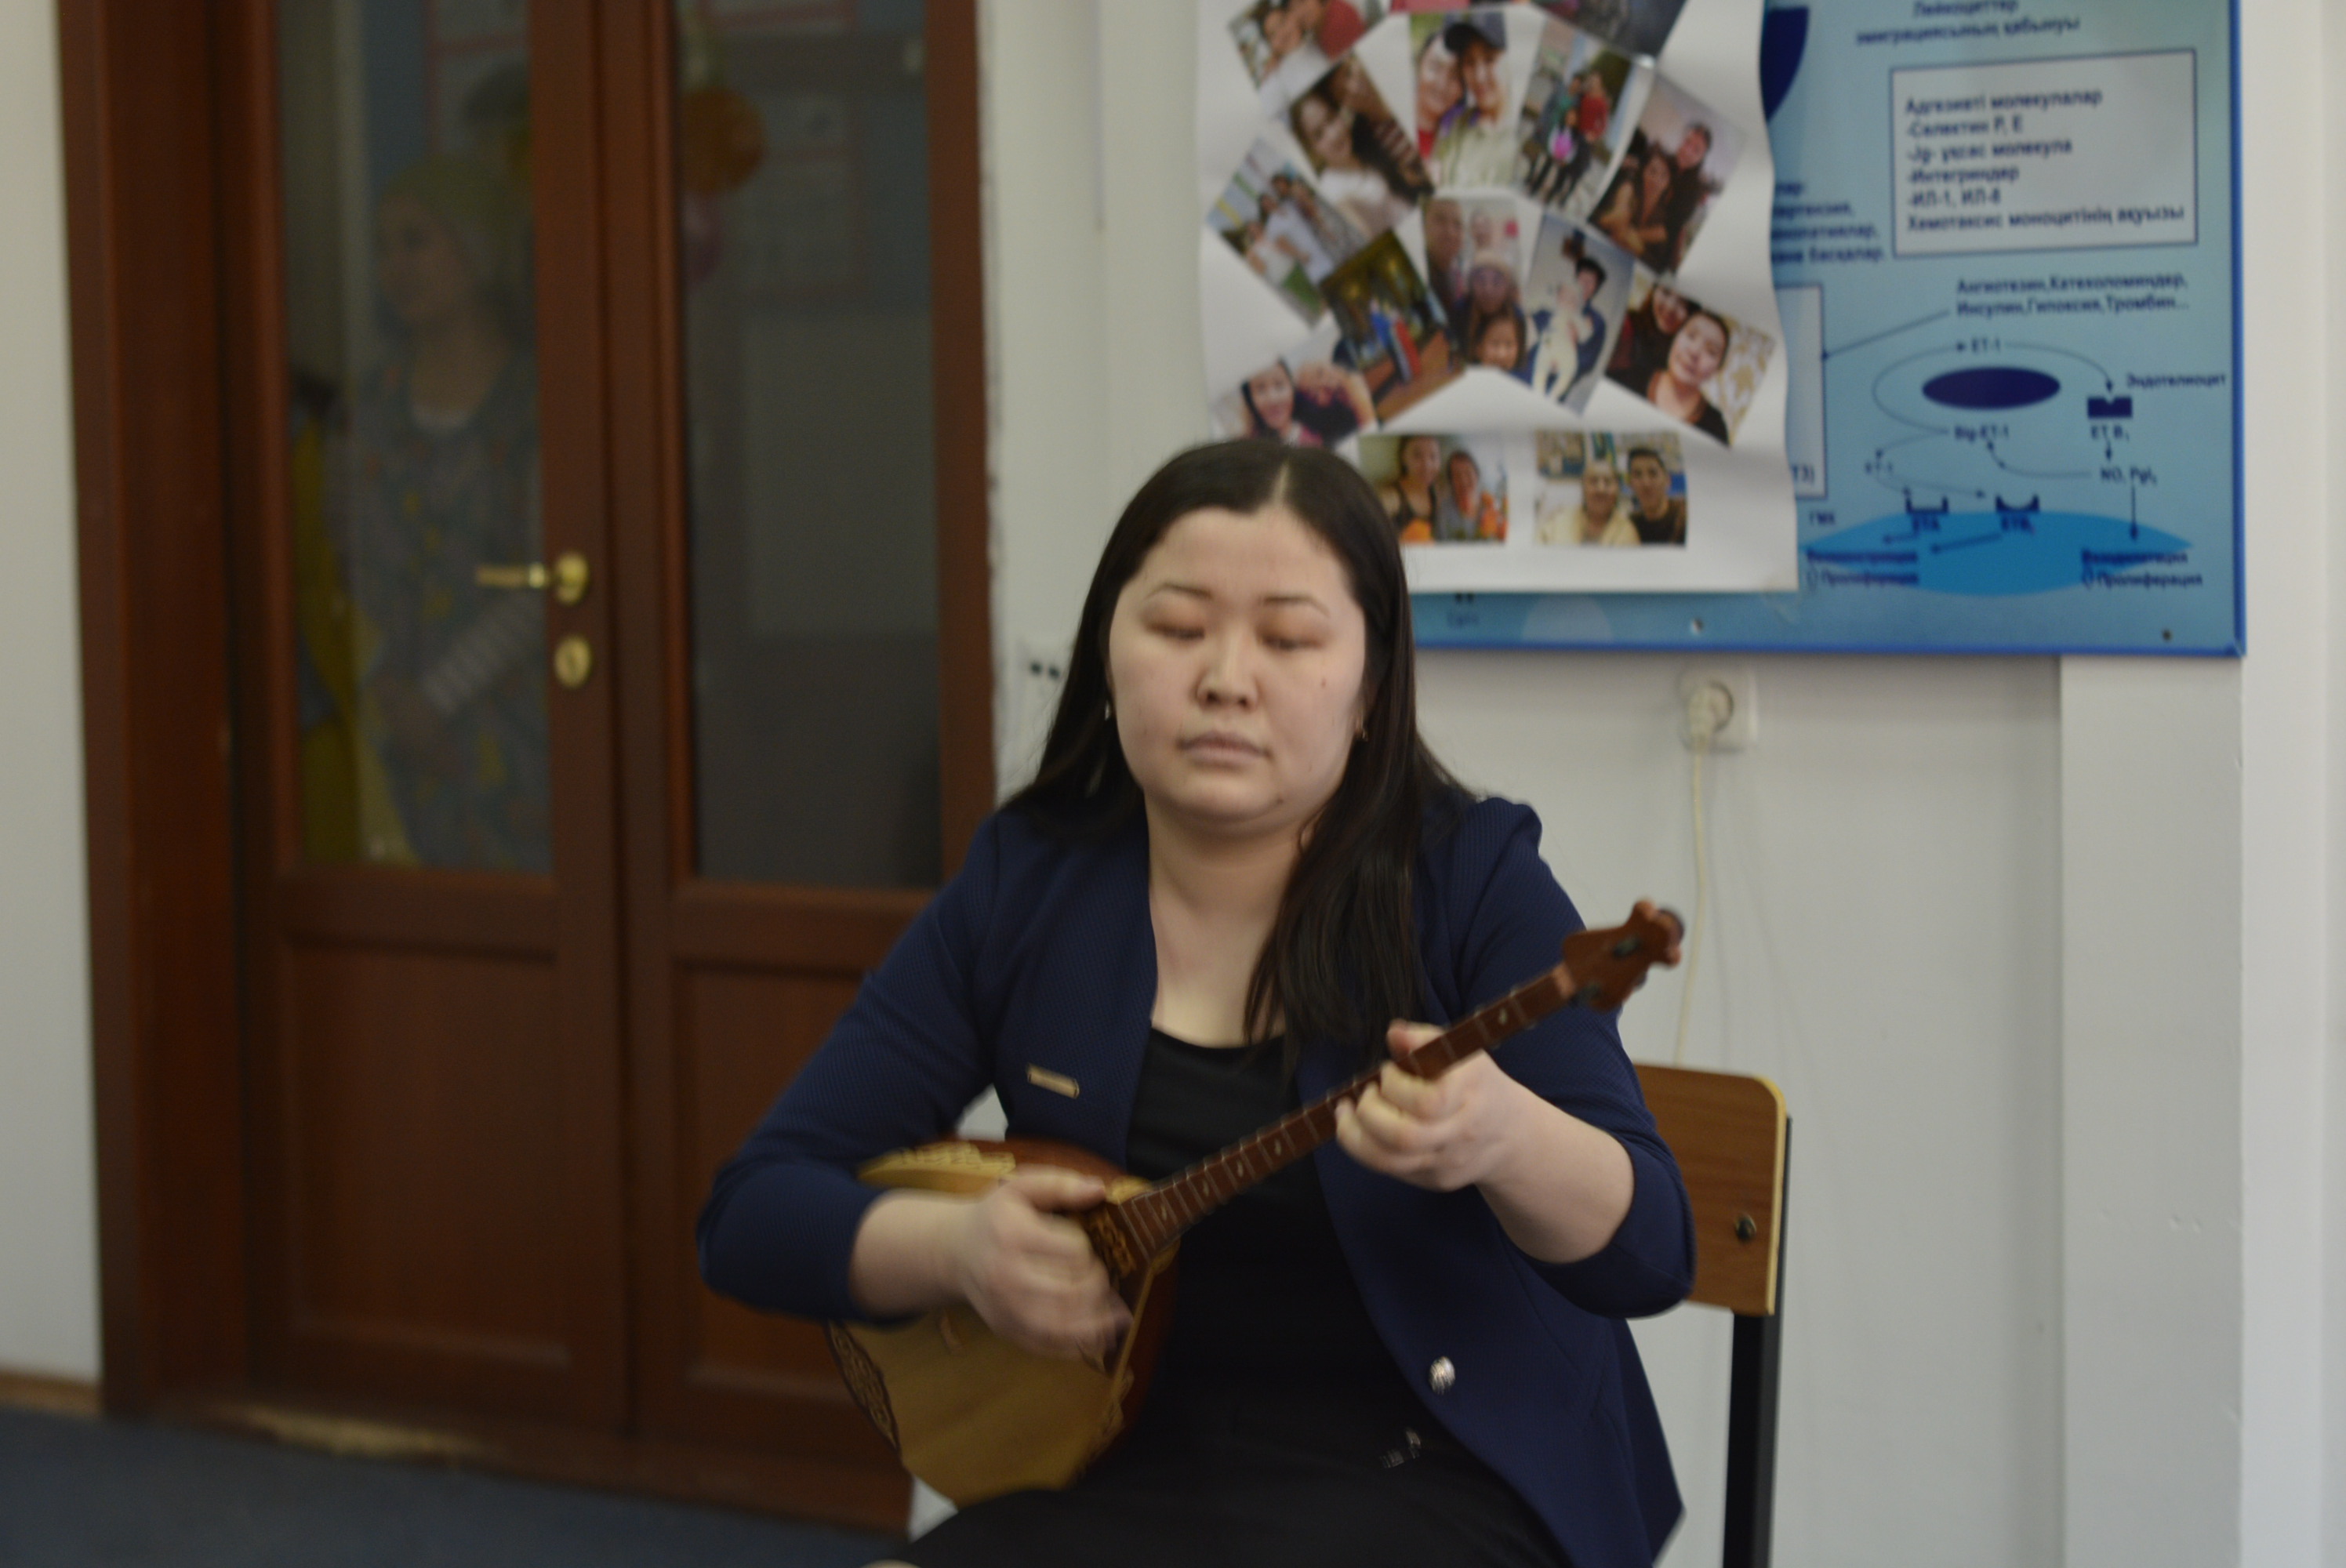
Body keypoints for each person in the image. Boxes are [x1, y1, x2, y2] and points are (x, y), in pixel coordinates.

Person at [698, 441, 1692, 1568]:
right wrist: (956, 1248)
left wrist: (1505, 1137)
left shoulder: (1471, 877)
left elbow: (1651, 1250)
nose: (1226, 678)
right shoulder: (1031, 881)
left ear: (1370, 688)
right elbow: (752, 1213)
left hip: (1443, 1476)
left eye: (1289, 639)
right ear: (1108, 653)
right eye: (1177, 628)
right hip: (1122, 1466)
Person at [325, 153, 547, 873]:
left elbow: (553, 578)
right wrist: (384, 689)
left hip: (512, 733)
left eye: (417, 240)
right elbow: (335, 563)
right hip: (380, 725)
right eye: (382, 247)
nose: (396, 266)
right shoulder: (365, 409)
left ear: (477, 249)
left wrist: (438, 700)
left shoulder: (537, 404)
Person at [1292, 84, 1420, 238]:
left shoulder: (1362, 144)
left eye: (1331, 119)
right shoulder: (1332, 191)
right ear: (1311, 150)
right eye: (1319, 135)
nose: (1333, 135)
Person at [1427, 13, 1516, 188]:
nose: (1479, 76)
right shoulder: (1456, 127)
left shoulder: (1515, 141)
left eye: (1490, 59)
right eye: (1469, 62)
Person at [1622, 307, 1732, 444]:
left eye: (1711, 351)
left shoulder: (1715, 428)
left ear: (1717, 369)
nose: (1694, 351)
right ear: (1676, 337)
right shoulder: (1629, 377)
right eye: (1691, 336)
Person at [1528, 254, 1611, 403]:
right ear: (1575, 278)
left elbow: (1587, 361)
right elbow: (1528, 328)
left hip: (1552, 385)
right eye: (1582, 279)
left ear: (1596, 288)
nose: (1585, 285)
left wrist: (1572, 343)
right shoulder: (1553, 305)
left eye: (1591, 282)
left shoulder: (1595, 321)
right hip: (1527, 371)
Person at [1240, 359, 1377, 448]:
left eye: (1279, 385)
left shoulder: (1354, 386)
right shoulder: (1253, 443)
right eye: (1260, 389)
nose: (1272, 399)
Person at [1594, 147, 1676, 270]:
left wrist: (1638, 248)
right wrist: (1616, 219)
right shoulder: (1629, 189)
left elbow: (1659, 263)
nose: (1656, 180)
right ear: (1644, 171)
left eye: (1664, 176)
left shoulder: (1664, 218)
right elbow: (1611, 218)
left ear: (1668, 183)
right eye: (1652, 171)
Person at [1605, 279, 1689, 390]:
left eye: (1683, 303)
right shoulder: (1626, 325)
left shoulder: (1685, 364)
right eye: (1666, 292)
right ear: (1654, 291)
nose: (1670, 307)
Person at [1537, 458, 1638, 546]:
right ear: (1583, 488)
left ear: (1618, 490)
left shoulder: (1627, 531)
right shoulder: (1560, 521)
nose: (1601, 489)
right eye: (1594, 481)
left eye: (1607, 482)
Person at [1433, 447, 1507, 541]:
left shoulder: (1492, 505)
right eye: (1457, 475)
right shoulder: (1443, 512)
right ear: (1451, 481)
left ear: (1476, 474)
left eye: (1468, 473)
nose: (1463, 481)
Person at [1381, 434, 1445, 543]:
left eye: (1433, 456)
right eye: (1417, 455)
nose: (1427, 465)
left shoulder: (1439, 493)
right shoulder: (1391, 498)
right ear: (1403, 458)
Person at [1411, 30, 1462, 162]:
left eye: (1455, 75)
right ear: (1419, 65)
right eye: (1435, 67)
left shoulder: (1459, 146)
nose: (1442, 84)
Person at [1421, 197, 1470, 330]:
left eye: (1457, 224)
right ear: (1423, 227)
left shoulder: (1458, 276)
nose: (1450, 232)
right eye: (1440, 220)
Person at [1623, 445, 1688, 545]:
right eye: (1638, 475)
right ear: (1630, 484)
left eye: (1653, 473)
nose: (1646, 483)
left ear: (1667, 480)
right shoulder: (1629, 527)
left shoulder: (1684, 517)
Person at [1471, 304, 1530, 380]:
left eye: (1509, 344)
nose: (1502, 354)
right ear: (1478, 348)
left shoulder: (1524, 384)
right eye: (1495, 344)